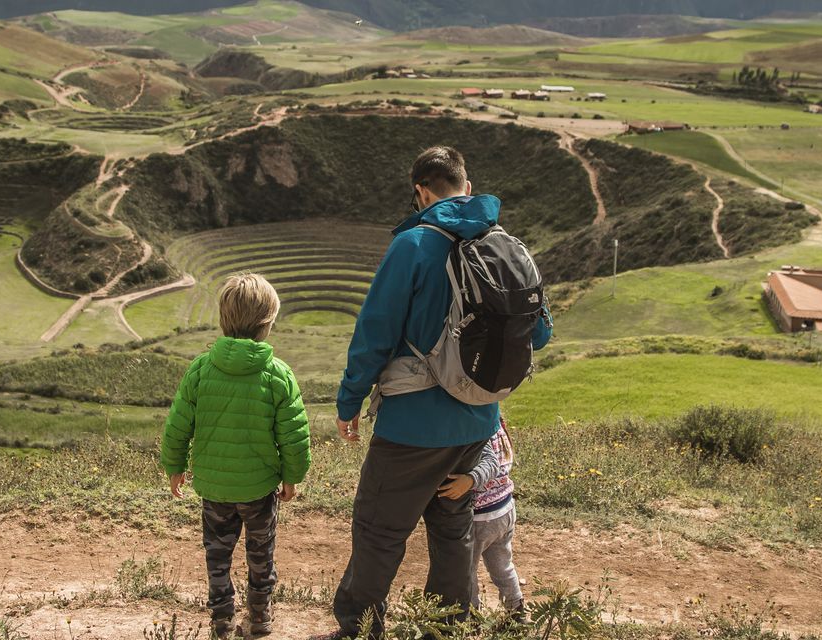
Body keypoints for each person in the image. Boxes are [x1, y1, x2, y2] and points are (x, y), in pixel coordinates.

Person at [318, 146, 552, 638]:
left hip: (412, 427)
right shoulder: (505, 243)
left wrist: (349, 401)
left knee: (380, 529)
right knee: (451, 530)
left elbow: (375, 333)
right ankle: (446, 628)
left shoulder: (413, 245)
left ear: (421, 192)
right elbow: (540, 333)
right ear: (467, 187)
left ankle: (360, 628)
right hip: (477, 425)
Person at [160, 273, 312, 638]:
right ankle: (259, 619)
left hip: (214, 488)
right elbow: (294, 436)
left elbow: (178, 424)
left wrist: (175, 465)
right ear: (268, 323)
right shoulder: (278, 375)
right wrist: (292, 477)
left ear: (223, 319)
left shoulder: (201, 369)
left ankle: (222, 621)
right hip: (260, 490)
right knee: (261, 555)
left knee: (217, 554)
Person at [437, 417, 523, 617]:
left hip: (482, 516)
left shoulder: (475, 426)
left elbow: (489, 465)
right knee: (503, 566)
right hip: (505, 507)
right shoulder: (496, 422)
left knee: (467, 572)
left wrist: (469, 479)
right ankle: (516, 612)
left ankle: (472, 617)